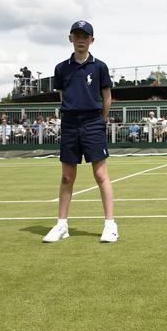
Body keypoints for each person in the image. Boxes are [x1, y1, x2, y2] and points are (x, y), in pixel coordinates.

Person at [43, 20, 117, 243]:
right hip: (69, 123)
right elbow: (63, 96)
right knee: (67, 176)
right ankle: (62, 225)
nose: (81, 39)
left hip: (93, 123)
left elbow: (107, 98)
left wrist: (99, 121)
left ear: (92, 40)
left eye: (85, 36)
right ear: (70, 39)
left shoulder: (100, 67)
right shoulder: (61, 68)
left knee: (100, 174)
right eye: (77, 35)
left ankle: (110, 225)